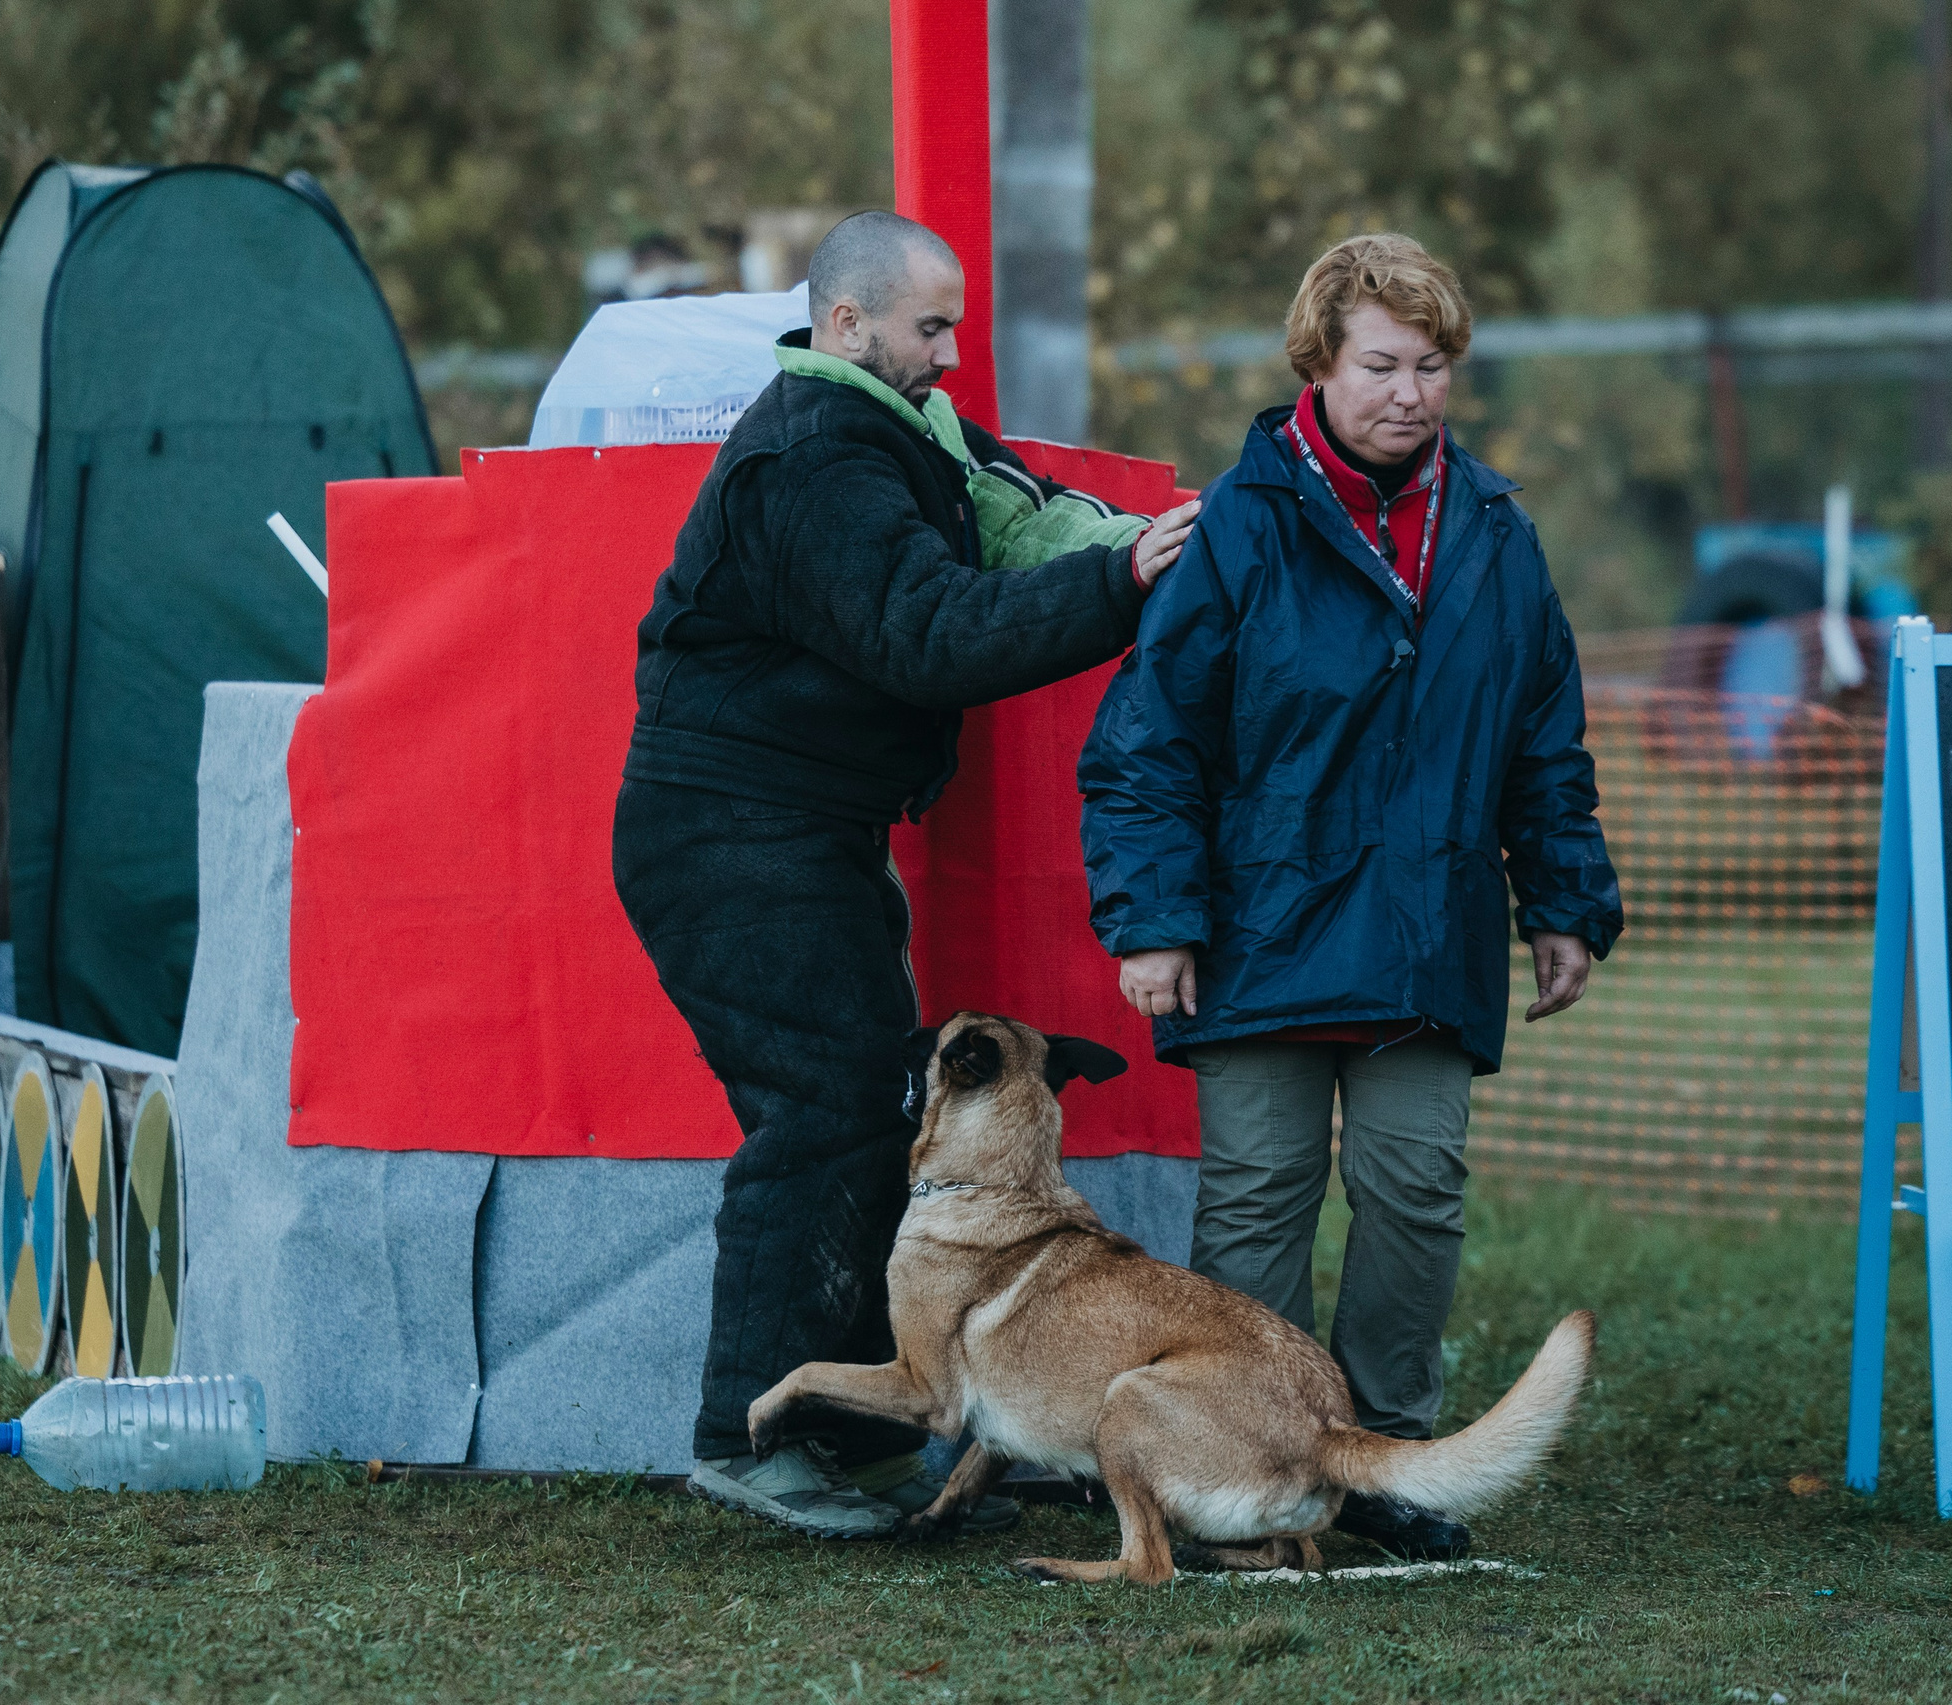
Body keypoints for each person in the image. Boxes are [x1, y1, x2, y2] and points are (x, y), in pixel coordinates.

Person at [613, 210, 1200, 1539]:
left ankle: (858, 1438)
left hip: (802, 829)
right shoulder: (814, 457)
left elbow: (1024, 521)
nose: (949, 352)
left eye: (955, 325)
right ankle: (746, 1437)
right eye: (929, 326)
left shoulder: (905, 430)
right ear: (846, 325)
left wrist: (1162, 548)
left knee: (868, 1113)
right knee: (822, 1116)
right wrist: (1122, 581)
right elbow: (925, 631)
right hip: (728, 832)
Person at [1077, 233, 1624, 1562]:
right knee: (1256, 1195)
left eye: (1434, 365)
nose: (1411, 391)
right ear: (1318, 362)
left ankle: (1388, 1463)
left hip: (1428, 933)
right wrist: (1152, 918)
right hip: (1260, 934)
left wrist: (1564, 902)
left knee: (1415, 1188)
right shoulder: (1240, 527)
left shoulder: (1497, 534)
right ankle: (1249, 1470)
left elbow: (1542, 740)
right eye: (1382, 364)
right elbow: (1149, 740)